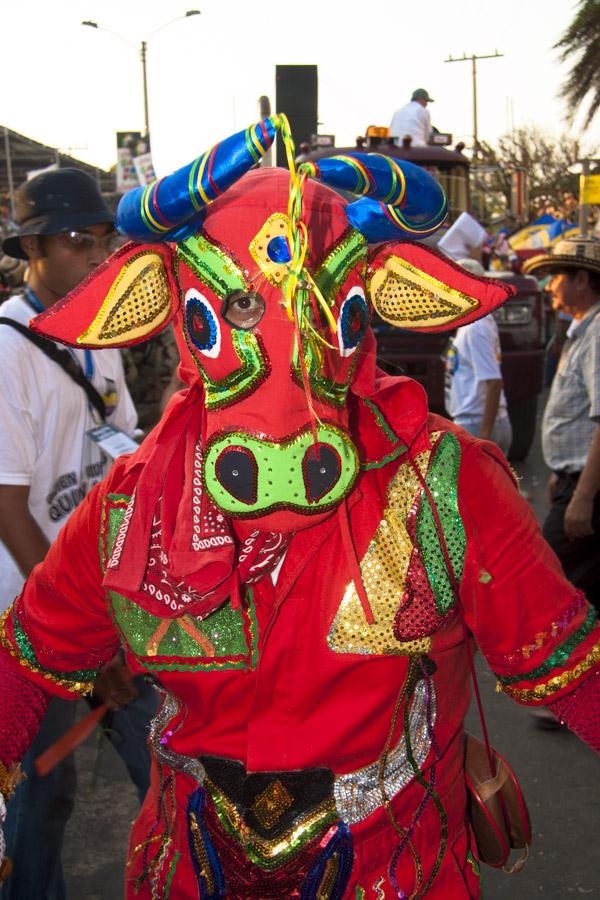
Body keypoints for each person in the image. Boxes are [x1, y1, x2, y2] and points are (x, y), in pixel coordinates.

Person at [0, 117, 598, 899]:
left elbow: (565, 666)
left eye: (321, 311)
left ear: (368, 308)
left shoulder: (444, 482)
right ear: (179, 313)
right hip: (191, 868)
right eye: (234, 312)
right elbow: (28, 660)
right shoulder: (133, 500)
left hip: (394, 870)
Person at [0, 168, 156, 900]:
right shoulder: (7, 352)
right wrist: (84, 640)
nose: (98, 258)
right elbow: (8, 511)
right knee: (41, 790)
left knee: (168, 761)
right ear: (32, 247)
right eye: (76, 242)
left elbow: (119, 452)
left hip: (105, 596)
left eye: (104, 241)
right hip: (30, 612)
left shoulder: (101, 333)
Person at [525, 237, 600, 613]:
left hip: (590, 487)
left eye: (555, 276)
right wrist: (563, 472)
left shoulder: (598, 332)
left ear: (582, 280)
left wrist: (583, 495)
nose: (549, 285)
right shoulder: (584, 330)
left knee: (549, 584)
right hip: (577, 478)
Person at [445, 259, 512, 455]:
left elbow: (494, 382)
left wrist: (483, 437)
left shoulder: (476, 327)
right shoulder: (474, 322)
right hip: (473, 420)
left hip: (476, 422)